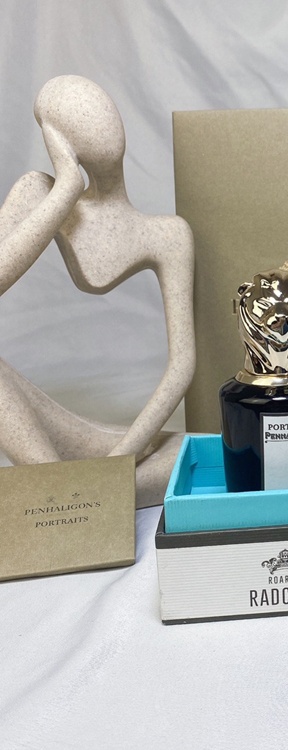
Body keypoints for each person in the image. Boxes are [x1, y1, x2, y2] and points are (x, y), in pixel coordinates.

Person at [0, 75, 195, 505]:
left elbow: (182, 366)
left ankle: (66, 498)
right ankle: (62, 490)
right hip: (53, 433)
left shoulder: (168, 235)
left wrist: (119, 461)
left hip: (120, 446)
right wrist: (66, 189)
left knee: (197, 454)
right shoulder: (40, 194)